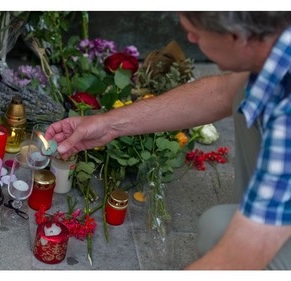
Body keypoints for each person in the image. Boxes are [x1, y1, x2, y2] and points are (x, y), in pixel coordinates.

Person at [45, 12, 291, 269]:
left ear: (237, 36)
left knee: (225, 240)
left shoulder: (287, 112)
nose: (190, 38)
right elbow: (220, 93)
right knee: (216, 226)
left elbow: (239, 257)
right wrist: (108, 124)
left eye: (196, 32)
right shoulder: (276, 47)